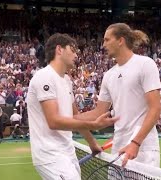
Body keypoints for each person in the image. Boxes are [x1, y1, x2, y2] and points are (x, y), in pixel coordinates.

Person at [26, 33, 118, 180]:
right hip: (50, 156)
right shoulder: (44, 77)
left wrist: (92, 143)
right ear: (59, 50)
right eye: (73, 49)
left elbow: (76, 118)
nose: (77, 54)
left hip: (67, 153)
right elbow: (54, 122)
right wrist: (93, 124)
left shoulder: (67, 80)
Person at [75, 23, 161, 167]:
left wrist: (135, 143)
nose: (103, 45)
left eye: (107, 40)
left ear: (120, 40)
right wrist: (62, 120)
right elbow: (98, 112)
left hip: (143, 148)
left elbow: (155, 108)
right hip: (118, 149)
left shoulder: (145, 64)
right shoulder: (108, 75)